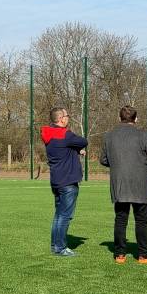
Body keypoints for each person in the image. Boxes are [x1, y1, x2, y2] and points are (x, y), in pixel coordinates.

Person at [99, 106, 147, 265]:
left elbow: (103, 160)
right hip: (140, 184)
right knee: (142, 221)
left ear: (119, 117)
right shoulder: (142, 135)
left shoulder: (109, 136)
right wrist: (141, 164)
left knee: (120, 219)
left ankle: (120, 255)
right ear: (136, 119)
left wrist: (119, 165)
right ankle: (144, 255)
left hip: (119, 184)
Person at [42, 107, 88, 257]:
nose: (68, 118)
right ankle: (61, 247)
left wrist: (75, 150)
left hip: (56, 180)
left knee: (58, 215)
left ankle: (55, 245)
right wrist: (78, 148)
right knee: (65, 216)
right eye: (67, 116)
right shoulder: (65, 134)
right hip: (68, 181)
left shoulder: (50, 135)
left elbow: (63, 150)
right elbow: (83, 141)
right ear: (61, 119)